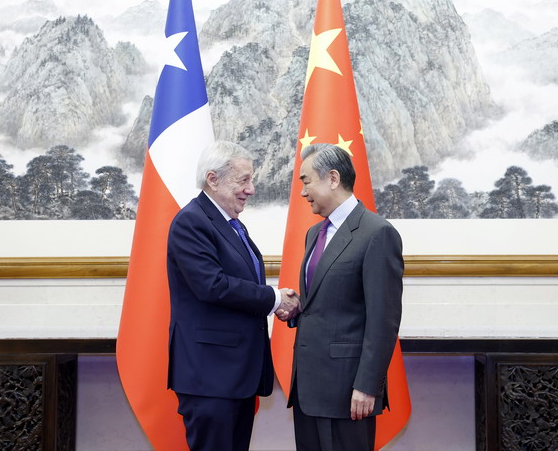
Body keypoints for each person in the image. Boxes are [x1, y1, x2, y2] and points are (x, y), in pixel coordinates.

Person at [166, 140, 300, 451]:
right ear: (213, 179)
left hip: (235, 375)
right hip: (210, 376)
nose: (251, 190)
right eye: (243, 180)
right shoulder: (192, 221)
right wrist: (275, 299)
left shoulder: (232, 225)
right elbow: (212, 285)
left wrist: (276, 301)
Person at [287, 143, 404, 451]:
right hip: (308, 388)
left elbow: (384, 319)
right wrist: (299, 305)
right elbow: (329, 299)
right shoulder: (315, 234)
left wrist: (367, 386)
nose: (302, 192)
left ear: (333, 178)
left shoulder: (377, 233)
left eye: (306, 180)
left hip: (348, 392)